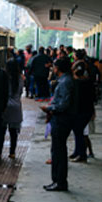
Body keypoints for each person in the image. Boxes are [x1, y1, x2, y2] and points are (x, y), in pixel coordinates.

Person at [41, 57, 75, 191]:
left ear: (58, 69)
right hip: (61, 119)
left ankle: (59, 181)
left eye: (54, 67)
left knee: (58, 151)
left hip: (61, 120)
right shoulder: (65, 80)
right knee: (57, 150)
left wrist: (49, 109)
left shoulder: (65, 82)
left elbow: (63, 104)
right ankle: (57, 180)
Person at [70, 56, 95, 162]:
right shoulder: (88, 82)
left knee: (79, 132)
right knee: (78, 132)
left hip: (80, 111)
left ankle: (81, 154)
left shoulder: (77, 84)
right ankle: (77, 152)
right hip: (87, 111)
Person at [2, 58, 24, 159]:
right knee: (13, 132)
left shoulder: (5, 78)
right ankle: (12, 152)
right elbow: (20, 92)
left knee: (2, 131)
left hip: (6, 106)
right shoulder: (20, 78)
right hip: (16, 107)